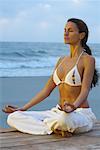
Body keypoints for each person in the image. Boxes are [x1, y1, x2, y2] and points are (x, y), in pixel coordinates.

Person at [3, 18, 99, 137]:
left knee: (64, 120)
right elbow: (46, 91)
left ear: (81, 35)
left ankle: (54, 126)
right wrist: (23, 108)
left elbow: (85, 90)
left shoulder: (88, 60)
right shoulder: (61, 60)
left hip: (79, 113)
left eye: (70, 30)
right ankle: (53, 128)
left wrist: (73, 107)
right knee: (13, 117)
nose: (65, 33)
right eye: (64, 30)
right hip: (57, 112)